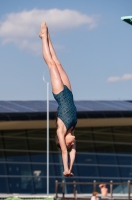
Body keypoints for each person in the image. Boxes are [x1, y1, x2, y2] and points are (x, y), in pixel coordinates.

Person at [39, 22, 77, 177]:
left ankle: (42, 39)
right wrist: (72, 167)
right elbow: (73, 153)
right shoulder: (73, 130)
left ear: (65, 142)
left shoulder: (61, 131)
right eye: (72, 145)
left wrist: (66, 169)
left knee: (51, 65)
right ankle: (48, 37)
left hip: (60, 94)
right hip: (69, 92)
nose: (73, 144)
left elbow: (64, 151)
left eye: (70, 145)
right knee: (58, 63)